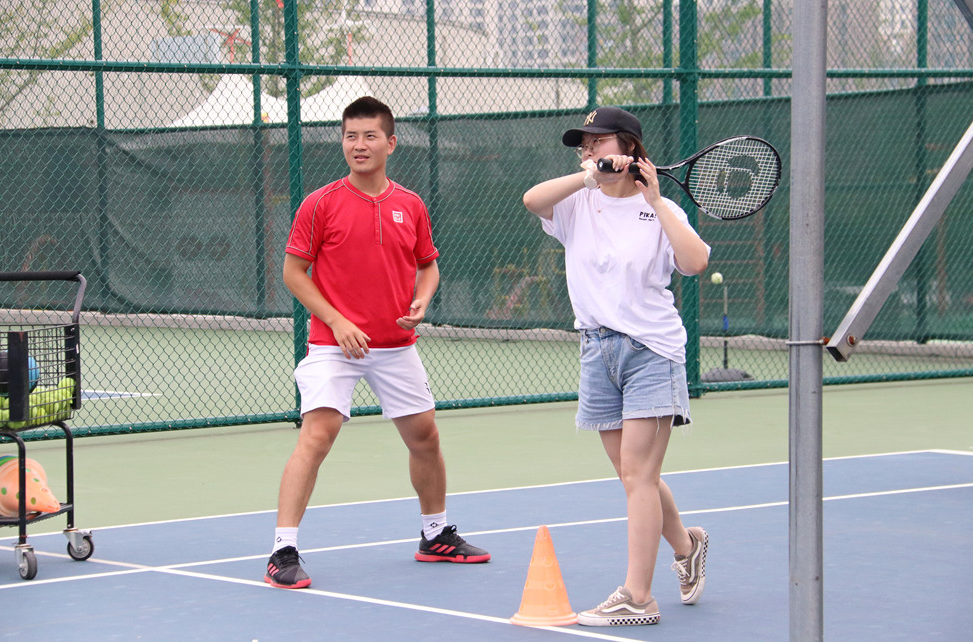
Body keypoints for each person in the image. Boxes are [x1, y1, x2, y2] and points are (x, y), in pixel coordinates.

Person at [264, 96, 490, 589]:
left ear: (391, 143)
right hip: (334, 344)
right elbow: (293, 272)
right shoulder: (319, 204)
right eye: (351, 136)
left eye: (369, 136)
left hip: (396, 345)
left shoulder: (411, 205)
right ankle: (282, 550)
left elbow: (428, 265)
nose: (359, 145)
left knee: (425, 438)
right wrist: (337, 321)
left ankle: (435, 534)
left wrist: (422, 300)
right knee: (317, 435)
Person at [522, 106, 710, 626]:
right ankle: (687, 544)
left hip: (652, 350)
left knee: (638, 474)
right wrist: (589, 176)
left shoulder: (660, 209)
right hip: (596, 351)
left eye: (597, 142)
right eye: (583, 145)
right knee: (634, 476)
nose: (587, 150)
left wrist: (656, 201)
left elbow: (695, 262)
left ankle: (638, 597)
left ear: (627, 147)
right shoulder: (576, 202)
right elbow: (532, 199)